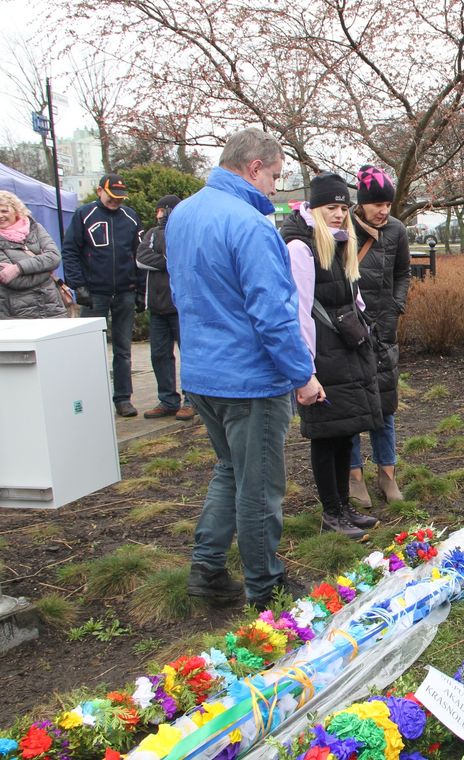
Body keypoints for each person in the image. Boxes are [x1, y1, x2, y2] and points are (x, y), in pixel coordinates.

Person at [166, 128, 324, 608]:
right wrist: (303, 374)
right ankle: (266, 588)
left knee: (230, 471)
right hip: (250, 381)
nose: (277, 188)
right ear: (255, 167)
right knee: (258, 489)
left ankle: (207, 569)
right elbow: (273, 314)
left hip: (200, 373)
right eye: (275, 176)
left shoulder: (183, 214)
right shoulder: (251, 225)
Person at [282, 173, 385, 539]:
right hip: (321, 354)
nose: (339, 214)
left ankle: (343, 507)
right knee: (326, 437)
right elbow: (299, 311)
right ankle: (331, 513)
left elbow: (350, 295)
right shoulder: (301, 247)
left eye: (344, 207)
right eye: (331, 207)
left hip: (343, 349)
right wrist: (306, 370)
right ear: (313, 207)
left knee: (344, 433)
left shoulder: (337, 242)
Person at [347, 165, 410, 507]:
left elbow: (403, 272)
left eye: (388, 203)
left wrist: (396, 306)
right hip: (348, 329)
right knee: (352, 406)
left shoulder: (397, 230)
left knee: (385, 406)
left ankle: (387, 476)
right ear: (362, 203)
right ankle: (354, 478)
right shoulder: (343, 228)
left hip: (384, 330)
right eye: (377, 204)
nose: (384, 210)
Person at [61, 173, 144, 417]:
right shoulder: (83, 215)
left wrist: (141, 290)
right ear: (100, 191)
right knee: (89, 349)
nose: (115, 201)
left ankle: (123, 398)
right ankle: (91, 397)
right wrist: (78, 285)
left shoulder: (130, 217)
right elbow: (70, 251)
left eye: (120, 197)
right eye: (111, 196)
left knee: (123, 349)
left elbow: (139, 255)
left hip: (125, 292)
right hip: (94, 293)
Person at [136, 194, 195, 421]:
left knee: (188, 355)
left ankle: (191, 399)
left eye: (161, 210)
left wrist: (164, 260)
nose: (158, 214)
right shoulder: (152, 234)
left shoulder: (185, 232)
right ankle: (168, 400)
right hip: (158, 307)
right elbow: (141, 258)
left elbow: (187, 259)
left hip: (181, 306)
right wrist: (170, 262)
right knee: (159, 355)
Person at [0, 191, 67, 319]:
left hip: (52, 307)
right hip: (18, 314)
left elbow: (54, 257)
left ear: (16, 210)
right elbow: (14, 281)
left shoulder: (35, 228)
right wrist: (47, 270)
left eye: (4, 211)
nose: (0, 215)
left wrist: (17, 268)